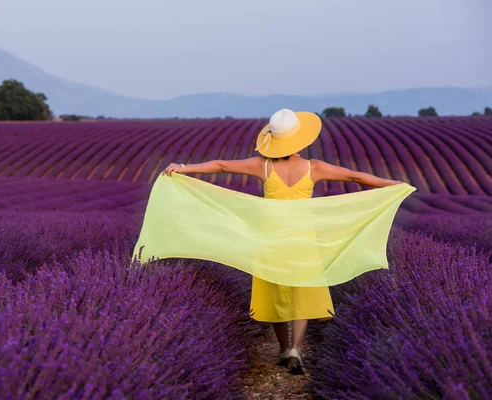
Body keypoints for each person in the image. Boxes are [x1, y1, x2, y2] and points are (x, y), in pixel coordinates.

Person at [161, 109, 404, 375]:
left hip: (271, 238)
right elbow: (356, 177)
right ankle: (297, 349)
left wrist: (183, 167)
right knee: (303, 289)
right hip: (303, 239)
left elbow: (221, 166)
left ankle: (284, 347)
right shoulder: (315, 167)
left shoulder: (262, 165)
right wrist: (394, 184)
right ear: (299, 139)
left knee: (275, 289)